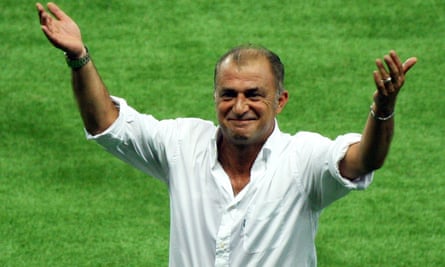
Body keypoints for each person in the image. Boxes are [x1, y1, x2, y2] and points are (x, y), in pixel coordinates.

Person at [36, 2, 417, 266]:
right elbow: (106, 123)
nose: (239, 107)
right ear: (215, 96)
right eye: (228, 94)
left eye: (254, 95)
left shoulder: (303, 159)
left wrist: (382, 110)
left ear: (280, 100)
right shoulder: (182, 144)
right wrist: (79, 56)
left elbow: (363, 160)